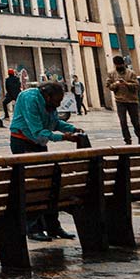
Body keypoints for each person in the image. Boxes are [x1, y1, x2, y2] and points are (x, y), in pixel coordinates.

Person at [9, 81, 88, 240]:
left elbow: (54, 122)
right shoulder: (29, 99)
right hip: (23, 141)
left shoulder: (50, 104)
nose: (58, 105)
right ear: (47, 95)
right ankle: (33, 227)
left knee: (50, 182)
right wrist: (63, 138)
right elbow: (37, 131)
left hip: (38, 143)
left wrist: (71, 129)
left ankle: (53, 225)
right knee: (34, 186)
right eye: (56, 101)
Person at [109, 56, 140, 145]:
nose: (118, 66)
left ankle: (139, 136)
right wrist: (115, 85)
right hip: (120, 101)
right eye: (117, 65)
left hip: (132, 101)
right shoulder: (112, 74)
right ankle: (127, 139)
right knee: (123, 121)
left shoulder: (131, 73)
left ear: (123, 64)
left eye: (120, 64)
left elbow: (136, 86)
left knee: (135, 121)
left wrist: (126, 84)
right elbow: (109, 85)